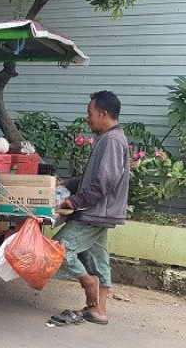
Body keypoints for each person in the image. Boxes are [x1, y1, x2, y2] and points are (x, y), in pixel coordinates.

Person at [48, 90, 130, 327]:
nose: (87, 118)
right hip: (100, 212)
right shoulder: (108, 137)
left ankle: (88, 282)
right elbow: (93, 178)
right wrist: (68, 185)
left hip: (96, 212)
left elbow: (105, 182)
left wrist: (74, 201)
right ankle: (98, 311)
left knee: (59, 249)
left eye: (90, 113)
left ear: (103, 114)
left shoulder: (112, 141)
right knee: (98, 261)